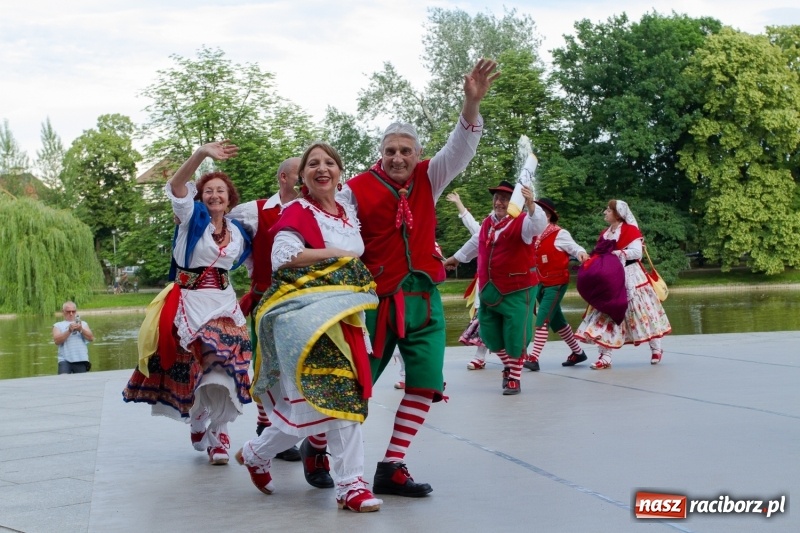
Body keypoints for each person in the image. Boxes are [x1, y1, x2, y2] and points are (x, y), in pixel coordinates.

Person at [338, 57, 500, 497]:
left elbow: (461, 146)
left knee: (426, 383)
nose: (398, 157)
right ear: (381, 153)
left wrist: (471, 103)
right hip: (374, 302)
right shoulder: (354, 189)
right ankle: (318, 447)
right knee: (355, 388)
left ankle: (391, 466)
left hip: (423, 299)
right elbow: (333, 231)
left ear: (416, 154)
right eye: (390, 150)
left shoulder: (431, 175)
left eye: (406, 151)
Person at [236, 142, 382, 513]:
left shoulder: (346, 209)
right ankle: (351, 486)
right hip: (309, 318)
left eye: (329, 162)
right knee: (340, 396)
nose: (322, 168)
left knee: (315, 407)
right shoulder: (299, 210)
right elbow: (282, 256)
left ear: (340, 172)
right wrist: (337, 254)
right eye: (313, 163)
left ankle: (256, 453)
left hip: (347, 316)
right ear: (302, 176)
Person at [122, 142, 253, 466]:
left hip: (224, 305)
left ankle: (219, 434)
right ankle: (198, 420)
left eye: (221, 191)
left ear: (229, 198)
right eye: (208, 191)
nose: (215, 195)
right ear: (200, 197)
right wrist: (201, 153)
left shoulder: (238, 231)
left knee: (226, 366)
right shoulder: (190, 218)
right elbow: (177, 185)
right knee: (198, 370)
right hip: (190, 304)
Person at [229, 157, 303, 463]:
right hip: (267, 299)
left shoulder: (315, 209)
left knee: (298, 366)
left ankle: (285, 428)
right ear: (283, 178)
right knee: (267, 365)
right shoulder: (253, 211)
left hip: (305, 300)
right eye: (300, 175)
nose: (306, 180)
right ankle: (267, 426)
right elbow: (218, 226)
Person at [444, 181, 547, 395]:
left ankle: (514, 378)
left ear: (514, 201)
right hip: (490, 288)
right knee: (488, 333)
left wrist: (531, 204)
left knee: (516, 335)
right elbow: (475, 243)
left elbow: (539, 225)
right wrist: (456, 258)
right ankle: (509, 365)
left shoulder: (523, 222)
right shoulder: (488, 223)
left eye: (505, 199)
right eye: (497, 198)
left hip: (518, 289)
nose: (499, 202)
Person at [575, 199, 671, 368]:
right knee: (606, 310)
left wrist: (615, 254)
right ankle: (605, 356)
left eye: (608, 210)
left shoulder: (629, 230)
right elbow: (599, 253)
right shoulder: (605, 233)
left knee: (642, 312)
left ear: (618, 214)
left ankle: (656, 347)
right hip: (610, 278)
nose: (605, 212)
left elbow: (637, 253)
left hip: (631, 276)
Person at [519, 198, 590, 372]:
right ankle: (578, 352)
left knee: (542, 318)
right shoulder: (532, 234)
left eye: (539, 212)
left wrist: (581, 253)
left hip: (556, 283)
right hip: (540, 284)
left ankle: (534, 358)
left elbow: (574, 247)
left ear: (548, 216)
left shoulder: (559, 233)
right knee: (557, 321)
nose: (534, 214)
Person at [446, 191, 490, 370]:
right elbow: (469, 221)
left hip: (508, 285)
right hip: (485, 284)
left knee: (505, 321)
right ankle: (480, 357)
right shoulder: (483, 232)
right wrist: (458, 202)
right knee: (483, 319)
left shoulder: (513, 232)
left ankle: (514, 357)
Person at [53, 301, 94, 374]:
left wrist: (81, 329)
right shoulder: (58, 325)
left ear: (76, 311)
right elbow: (57, 341)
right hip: (64, 360)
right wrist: (69, 331)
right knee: (63, 380)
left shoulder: (83, 324)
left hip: (81, 359)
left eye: (73, 311)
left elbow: (91, 338)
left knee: (82, 380)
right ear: (63, 312)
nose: (71, 314)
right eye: (68, 311)